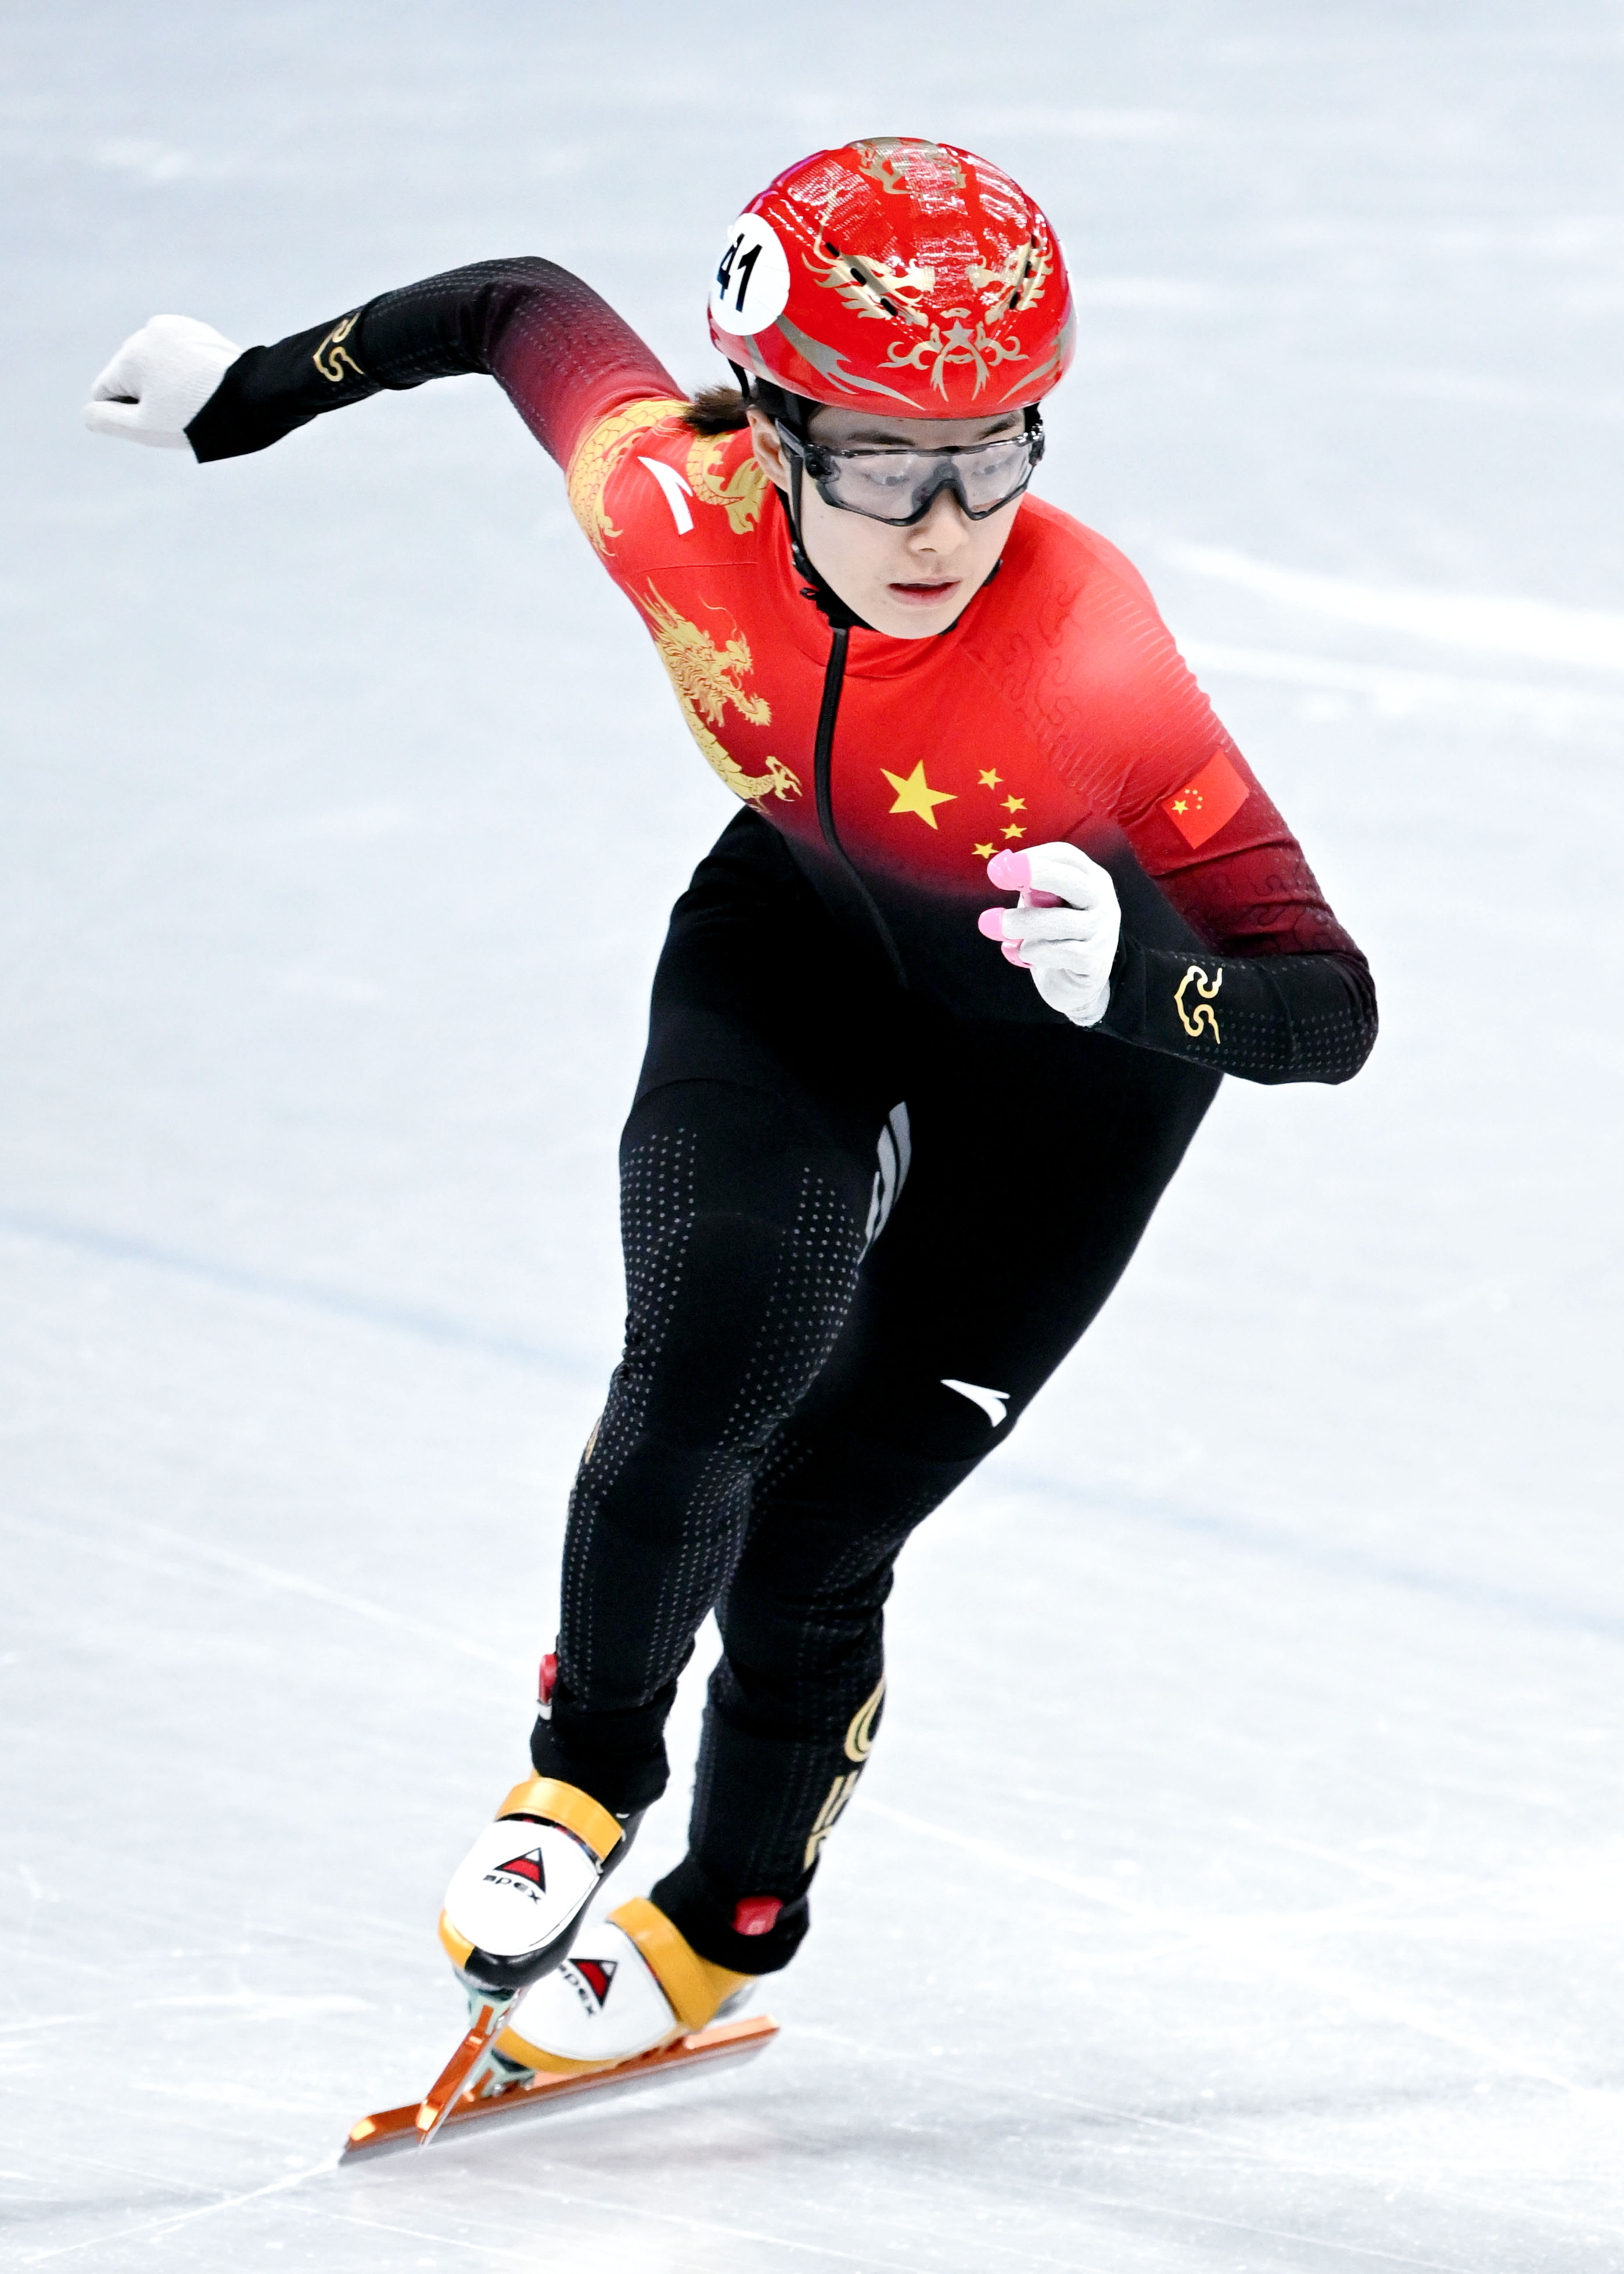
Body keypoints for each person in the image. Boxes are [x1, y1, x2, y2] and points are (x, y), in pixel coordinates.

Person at [86, 136, 1376, 2086]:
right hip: (799, 943)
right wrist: (252, 392)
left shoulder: (1089, 641)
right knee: (703, 1348)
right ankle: (586, 1768)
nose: (943, 520)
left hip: (1075, 1058)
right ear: (765, 429)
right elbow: (514, 305)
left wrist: (1149, 986)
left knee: (810, 1536)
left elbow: (1331, 1003)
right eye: (876, 458)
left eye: (996, 446)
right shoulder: (662, 494)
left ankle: (726, 1919)